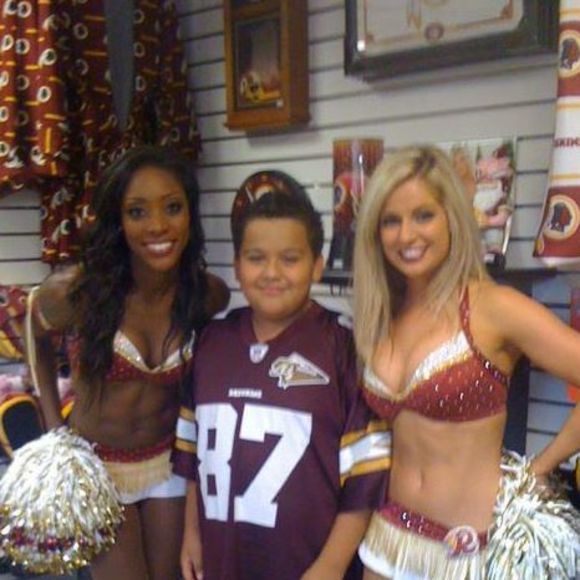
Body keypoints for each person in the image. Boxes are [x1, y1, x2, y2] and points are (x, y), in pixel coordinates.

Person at [352, 145, 580, 579]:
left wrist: (540, 468)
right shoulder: (382, 314)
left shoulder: (493, 307)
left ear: (452, 218)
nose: (406, 235)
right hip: (386, 542)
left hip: (466, 553)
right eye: (390, 221)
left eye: (423, 215)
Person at [27, 146, 229, 580]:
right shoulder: (78, 292)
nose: (158, 226)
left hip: (167, 463)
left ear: (190, 214)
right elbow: (35, 333)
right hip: (98, 469)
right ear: (117, 221)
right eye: (137, 211)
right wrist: (54, 430)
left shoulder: (207, 295)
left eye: (172, 207)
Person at [172, 188, 391, 580]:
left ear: (317, 266)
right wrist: (192, 533)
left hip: (307, 564)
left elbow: (365, 478)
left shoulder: (344, 349)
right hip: (223, 560)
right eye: (256, 258)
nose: (272, 272)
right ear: (237, 266)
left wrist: (331, 565)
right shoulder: (211, 342)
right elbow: (195, 456)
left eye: (290, 259)